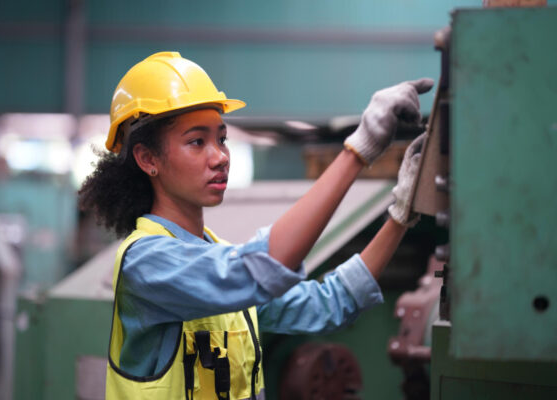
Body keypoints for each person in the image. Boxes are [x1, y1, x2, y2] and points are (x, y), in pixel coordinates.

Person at [78, 51, 433, 400]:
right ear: (147, 158)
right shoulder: (146, 263)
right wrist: (358, 150)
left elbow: (329, 304)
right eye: (197, 142)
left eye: (221, 138)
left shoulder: (216, 258)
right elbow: (262, 267)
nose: (219, 157)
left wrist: (400, 213)